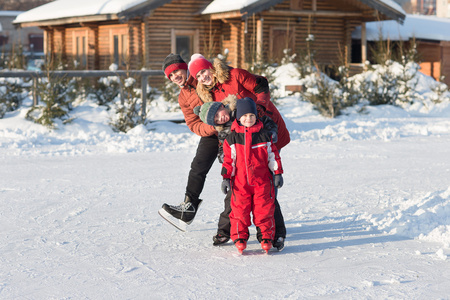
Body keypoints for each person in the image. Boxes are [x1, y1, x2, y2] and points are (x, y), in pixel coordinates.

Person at [159, 53, 287, 250]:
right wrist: (218, 129)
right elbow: (193, 123)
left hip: (251, 126)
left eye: (178, 71)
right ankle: (191, 207)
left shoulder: (211, 79)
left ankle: (272, 229)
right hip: (222, 129)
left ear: (187, 69)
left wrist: (255, 112)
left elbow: (258, 86)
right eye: (171, 75)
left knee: (262, 179)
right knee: (206, 168)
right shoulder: (189, 93)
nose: (176, 76)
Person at [220, 97, 284, 254]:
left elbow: (273, 155)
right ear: (238, 118)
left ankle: (266, 237)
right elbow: (229, 161)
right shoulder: (232, 138)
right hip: (240, 183)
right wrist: (226, 178)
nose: (248, 119)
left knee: (264, 210)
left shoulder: (264, 135)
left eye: (252, 116)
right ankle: (240, 237)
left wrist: (277, 173)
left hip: (262, 182)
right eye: (245, 116)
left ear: (256, 117)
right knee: (239, 211)